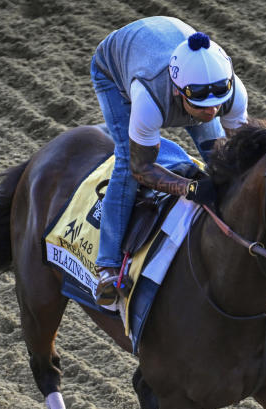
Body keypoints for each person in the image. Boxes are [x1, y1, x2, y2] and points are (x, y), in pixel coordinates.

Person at [90, 16, 249, 305]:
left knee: (223, 160)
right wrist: (189, 187)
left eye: (217, 104)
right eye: (201, 105)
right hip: (114, 71)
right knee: (126, 162)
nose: (211, 112)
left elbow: (241, 159)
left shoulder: (229, 92)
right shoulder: (148, 98)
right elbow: (142, 169)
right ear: (178, 90)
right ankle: (107, 266)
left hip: (162, 55)